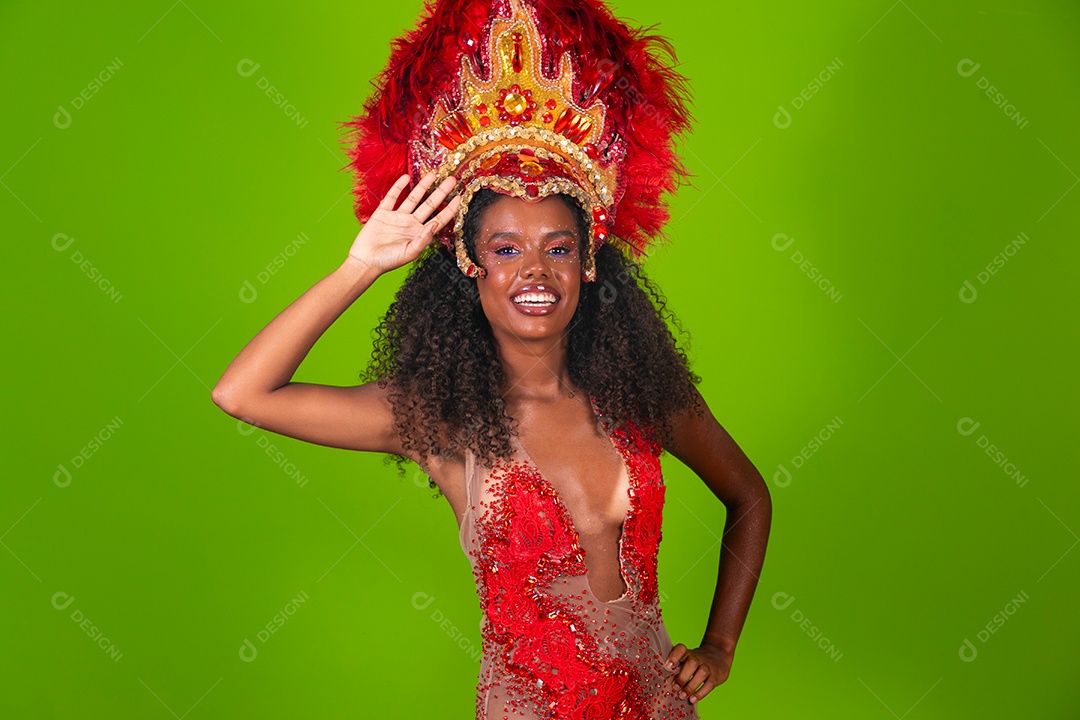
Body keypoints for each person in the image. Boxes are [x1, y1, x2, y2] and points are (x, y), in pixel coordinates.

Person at [212, 0, 771, 717]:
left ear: (589, 264)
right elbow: (242, 393)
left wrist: (720, 645)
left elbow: (749, 495)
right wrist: (362, 266)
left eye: (558, 248)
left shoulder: (643, 394)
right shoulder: (441, 418)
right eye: (507, 249)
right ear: (471, 263)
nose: (534, 272)